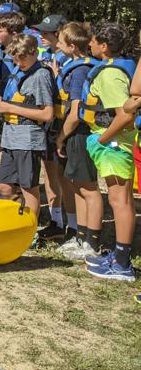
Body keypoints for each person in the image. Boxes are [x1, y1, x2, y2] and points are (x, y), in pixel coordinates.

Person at [77, 23, 137, 281]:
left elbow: (124, 114)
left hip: (115, 146)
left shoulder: (110, 74)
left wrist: (102, 138)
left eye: (92, 41)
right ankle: (118, 255)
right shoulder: (117, 67)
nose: (89, 45)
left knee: (120, 202)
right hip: (114, 144)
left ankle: (122, 263)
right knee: (120, 201)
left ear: (104, 46)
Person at [0, 33, 54, 223]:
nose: (19, 62)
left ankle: (31, 228)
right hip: (10, 137)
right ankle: (18, 219)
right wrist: (0, 102)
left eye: (22, 58)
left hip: (28, 139)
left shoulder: (40, 75)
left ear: (33, 52)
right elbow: (18, 100)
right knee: (3, 186)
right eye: (15, 59)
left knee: (28, 187)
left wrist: (9, 107)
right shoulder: (19, 71)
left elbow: (46, 114)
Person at [53, 22, 96, 259]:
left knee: (87, 187)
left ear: (72, 46)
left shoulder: (80, 71)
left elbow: (76, 110)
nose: (56, 45)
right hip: (73, 134)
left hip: (79, 134)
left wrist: (61, 137)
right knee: (77, 185)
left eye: (60, 41)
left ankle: (91, 241)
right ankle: (80, 236)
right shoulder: (72, 66)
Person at [33, 13, 72, 239]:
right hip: (48, 124)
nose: (41, 36)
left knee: (64, 175)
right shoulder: (45, 55)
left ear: (59, 34)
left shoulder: (68, 59)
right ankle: (55, 220)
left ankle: (73, 223)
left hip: (63, 122)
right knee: (49, 171)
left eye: (46, 33)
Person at [0, 6, 26, 196]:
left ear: (14, 33)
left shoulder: (26, 55)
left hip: (18, 113)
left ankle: (15, 196)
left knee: (17, 158)